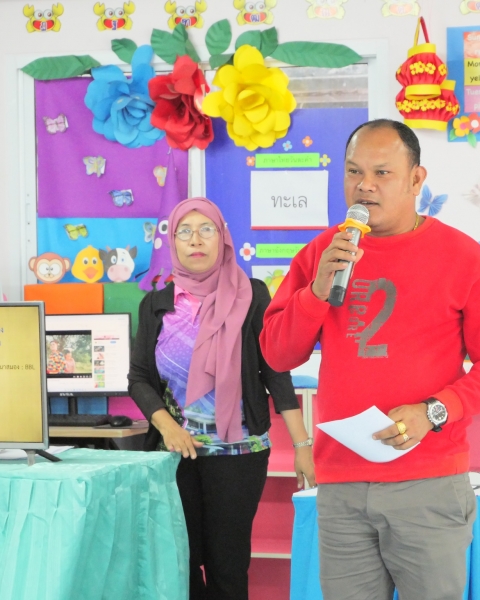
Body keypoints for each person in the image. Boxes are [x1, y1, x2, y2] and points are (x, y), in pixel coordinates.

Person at [260, 119, 480, 600]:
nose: (364, 185)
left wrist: (434, 412)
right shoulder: (325, 252)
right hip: (341, 482)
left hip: (428, 482)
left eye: (382, 173)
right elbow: (278, 354)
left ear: (416, 179)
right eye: (354, 172)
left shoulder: (464, 258)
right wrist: (316, 292)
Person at [128, 197, 315, 600]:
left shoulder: (253, 295)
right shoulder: (155, 304)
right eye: (185, 231)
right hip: (175, 455)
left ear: (223, 238)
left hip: (239, 454)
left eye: (206, 230)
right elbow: (139, 378)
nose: (195, 240)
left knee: (227, 566)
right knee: (180, 562)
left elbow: (275, 372)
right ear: (173, 242)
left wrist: (303, 446)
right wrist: (167, 426)